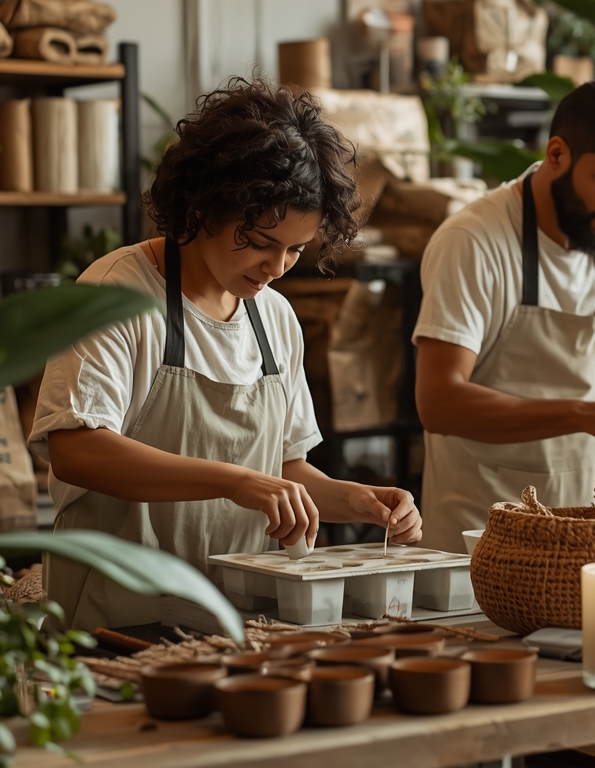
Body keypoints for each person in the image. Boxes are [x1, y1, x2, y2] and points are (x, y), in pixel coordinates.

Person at [31, 78, 422, 631]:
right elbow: (75, 449)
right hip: (117, 622)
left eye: (295, 249)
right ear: (203, 206)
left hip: (235, 622)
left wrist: (355, 501)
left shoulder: (275, 320)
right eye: (261, 242)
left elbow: (283, 472)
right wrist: (234, 480)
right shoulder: (117, 295)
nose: (277, 267)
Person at [413, 78, 595, 553]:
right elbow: (439, 402)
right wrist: (585, 413)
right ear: (557, 154)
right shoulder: (473, 241)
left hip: (592, 522)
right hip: (483, 527)